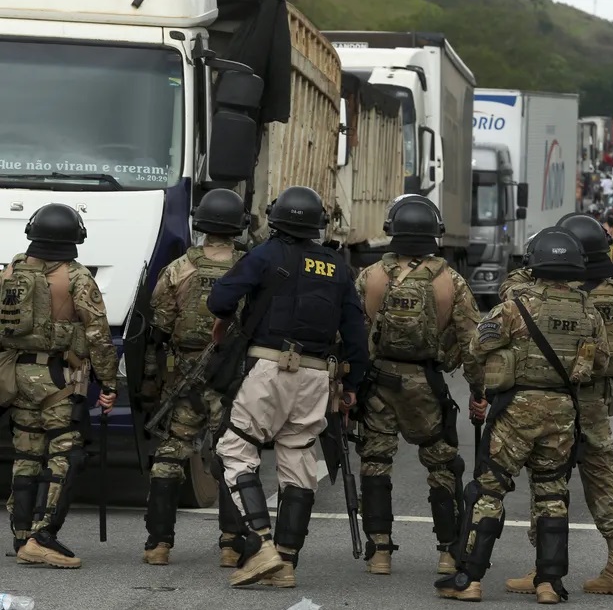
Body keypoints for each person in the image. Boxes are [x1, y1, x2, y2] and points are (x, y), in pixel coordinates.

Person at [207, 186, 369, 587]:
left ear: (276, 218)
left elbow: (220, 300)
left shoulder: (265, 255)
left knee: (236, 447)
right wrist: (352, 384)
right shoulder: (337, 265)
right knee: (297, 461)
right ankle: (287, 563)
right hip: (318, 375)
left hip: (268, 366)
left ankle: (261, 545)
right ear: (317, 225)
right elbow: (355, 331)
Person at [436, 227, 608, 604]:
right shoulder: (589, 313)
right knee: (552, 494)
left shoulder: (515, 306)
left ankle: (470, 578)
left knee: (489, 489)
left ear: (535, 263)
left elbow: (476, 346)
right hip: (563, 412)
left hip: (515, 410)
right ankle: (549, 583)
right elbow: (601, 364)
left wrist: (483, 388)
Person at [502, 214, 613, 598]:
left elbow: (508, 301)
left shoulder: (541, 293)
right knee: (603, 483)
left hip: (552, 400)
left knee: (547, 482)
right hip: (595, 406)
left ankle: (544, 569)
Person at [354, 195, 486, 577]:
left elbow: (353, 332)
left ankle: (379, 552)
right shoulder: (451, 281)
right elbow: (472, 344)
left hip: (379, 382)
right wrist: (479, 394)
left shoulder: (371, 276)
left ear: (391, 230)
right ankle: (447, 551)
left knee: (376, 463)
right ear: (435, 233)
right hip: (427, 384)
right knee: (442, 464)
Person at [140, 189, 249, 568]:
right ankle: (231, 545)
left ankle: (158, 544)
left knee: (169, 456)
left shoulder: (178, 268)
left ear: (200, 224)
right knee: (234, 459)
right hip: (230, 377)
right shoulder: (249, 268)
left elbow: (160, 326)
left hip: (184, 377)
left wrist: (152, 384)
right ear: (238, 225)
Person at [4, 203, 118, 568]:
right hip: (58, 379)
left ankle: (22, 535)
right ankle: (43, 535)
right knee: (65, 452)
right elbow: (99, 336)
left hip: (16, 374)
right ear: (76, 236)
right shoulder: (78, 278)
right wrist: (109, 382)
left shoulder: (11, 271)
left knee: (26, 453)